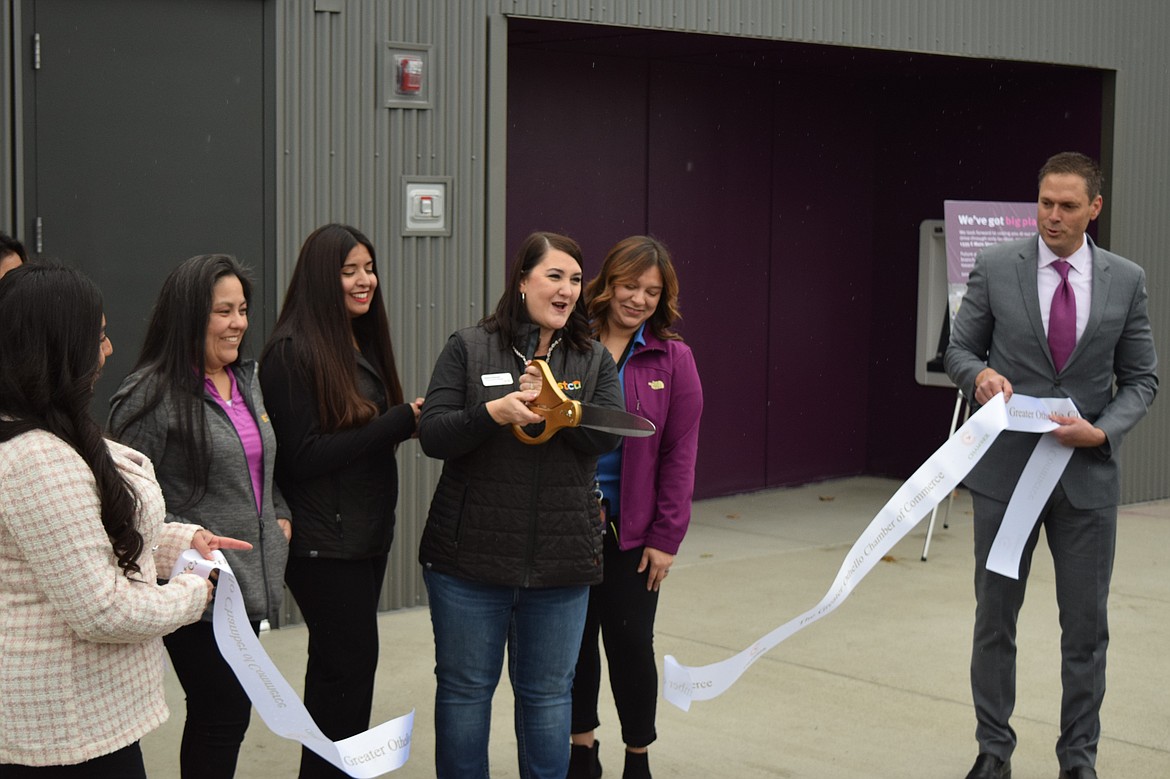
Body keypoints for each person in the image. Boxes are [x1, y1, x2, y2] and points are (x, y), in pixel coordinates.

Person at [945, 152, 1157, 779]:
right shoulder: (994, 267)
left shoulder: (1126, 278)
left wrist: (1103, 431)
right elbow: (958, 349)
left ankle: (1078, 760)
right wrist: (978, 375)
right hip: (1005, 478)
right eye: (1045, 203)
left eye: (1068, 206)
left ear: (1095, 209)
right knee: (994, 621)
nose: (1054, 216)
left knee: (1086, 633)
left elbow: (1141, 379)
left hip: (1086, 482)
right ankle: (992, 752)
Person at [0, 263, 252, 776]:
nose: (108, 348)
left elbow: (95, 528)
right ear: (59, 347)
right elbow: (101, 610)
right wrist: (190, 592)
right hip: (67, 735)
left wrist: (181, 538)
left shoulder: (54, 427)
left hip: (86, 721)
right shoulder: (36, 461)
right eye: (98, 335)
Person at [417, 231, 624, 779]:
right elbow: (434, 435)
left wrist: (560, 409)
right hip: (469, 560)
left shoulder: (593, 357)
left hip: (561, 562)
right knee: (464, 693)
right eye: (554, 276)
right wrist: (493, 414)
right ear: (523, 281)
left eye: (576, 279)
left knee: (548, 697)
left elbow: (608, 436)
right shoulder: (469, 346)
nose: (567, 290)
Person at [107, 254, 290, 778]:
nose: (239, 324)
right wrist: (181, 550)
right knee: (221, 715)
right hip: (192, 590)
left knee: (227, 715)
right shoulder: (151, 393)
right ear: (188, 315)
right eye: (222, 312)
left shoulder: (246, 381)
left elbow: (263, 464)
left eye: (242, 310)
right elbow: (121, 495)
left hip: (248, 585)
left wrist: (279, 513)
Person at [259, 223, 421, 778]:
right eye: (349, 270)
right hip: (325, 544)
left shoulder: (355, 339)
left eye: (369, 268)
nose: (364, 280)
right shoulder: (290, 352)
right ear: (320, 278)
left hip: (363, 533)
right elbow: (301, 457)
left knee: (343, 671)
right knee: (345, 672)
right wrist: (396, 422)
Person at [568, 236, 703, 779]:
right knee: (574, 646)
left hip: (634, 533)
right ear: (609, 283)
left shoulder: (673, 359)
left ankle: (637, 756)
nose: (638, 299)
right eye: (630, 286)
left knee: (629, 643)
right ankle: (582, 750)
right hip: (569, 527)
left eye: (652, 291)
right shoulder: (570, 346)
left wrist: (666, 537)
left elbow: (679, 454)